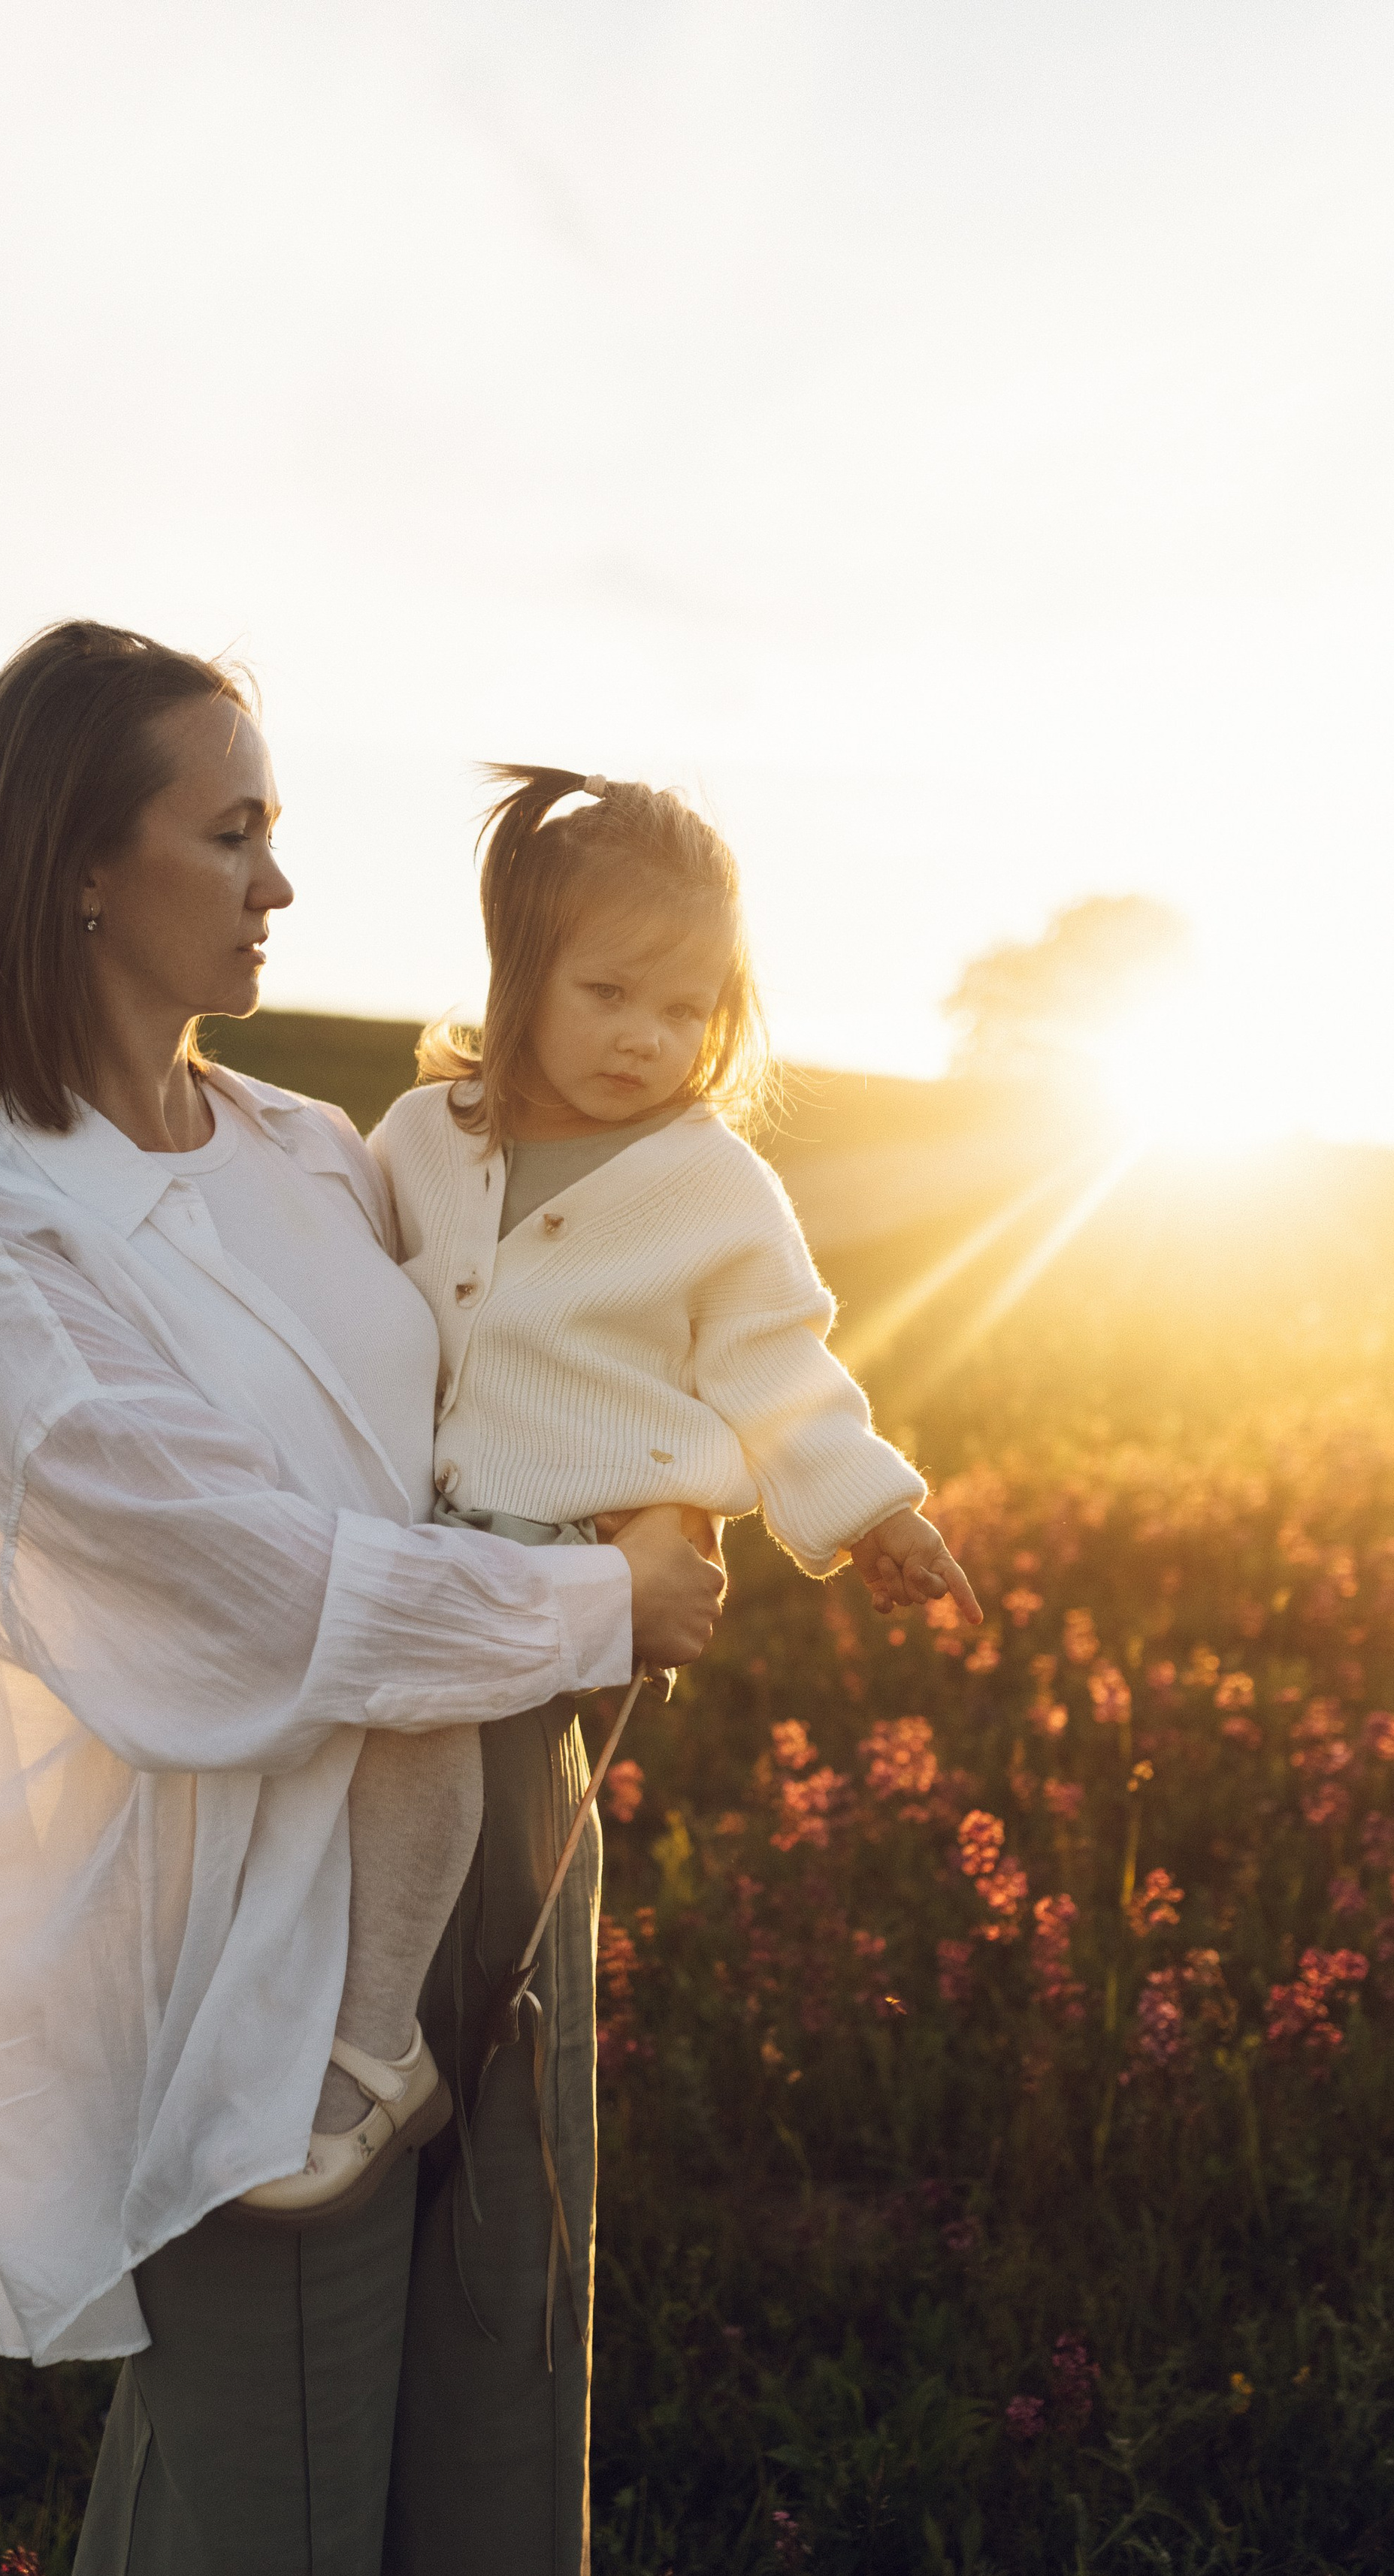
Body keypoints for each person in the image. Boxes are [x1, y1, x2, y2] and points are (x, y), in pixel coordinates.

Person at [0, 623, 727, 2576]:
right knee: (267, 2506)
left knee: (500, 2423)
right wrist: (599, 1602)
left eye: (276, 831)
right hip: (262, 1929)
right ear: (73, 867)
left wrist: (692, 1473)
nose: (278, 886)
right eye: (229, 832)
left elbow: (516, 1374)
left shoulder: (310, 1147)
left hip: (501, 1851)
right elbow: (252, 1598)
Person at [291, 766, 982, 2155]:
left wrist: (871, 1511)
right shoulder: (427, 1135)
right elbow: (345, 1294)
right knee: (367, 1794)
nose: (645, 1039)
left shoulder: (712, 1183)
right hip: (422, 1552)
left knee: (490, 1866)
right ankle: (367, 2040)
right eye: (609, 993)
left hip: (576, 1567)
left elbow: (778, 1363)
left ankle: (403, 2074)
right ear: (522, 972)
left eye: (686, 1010)